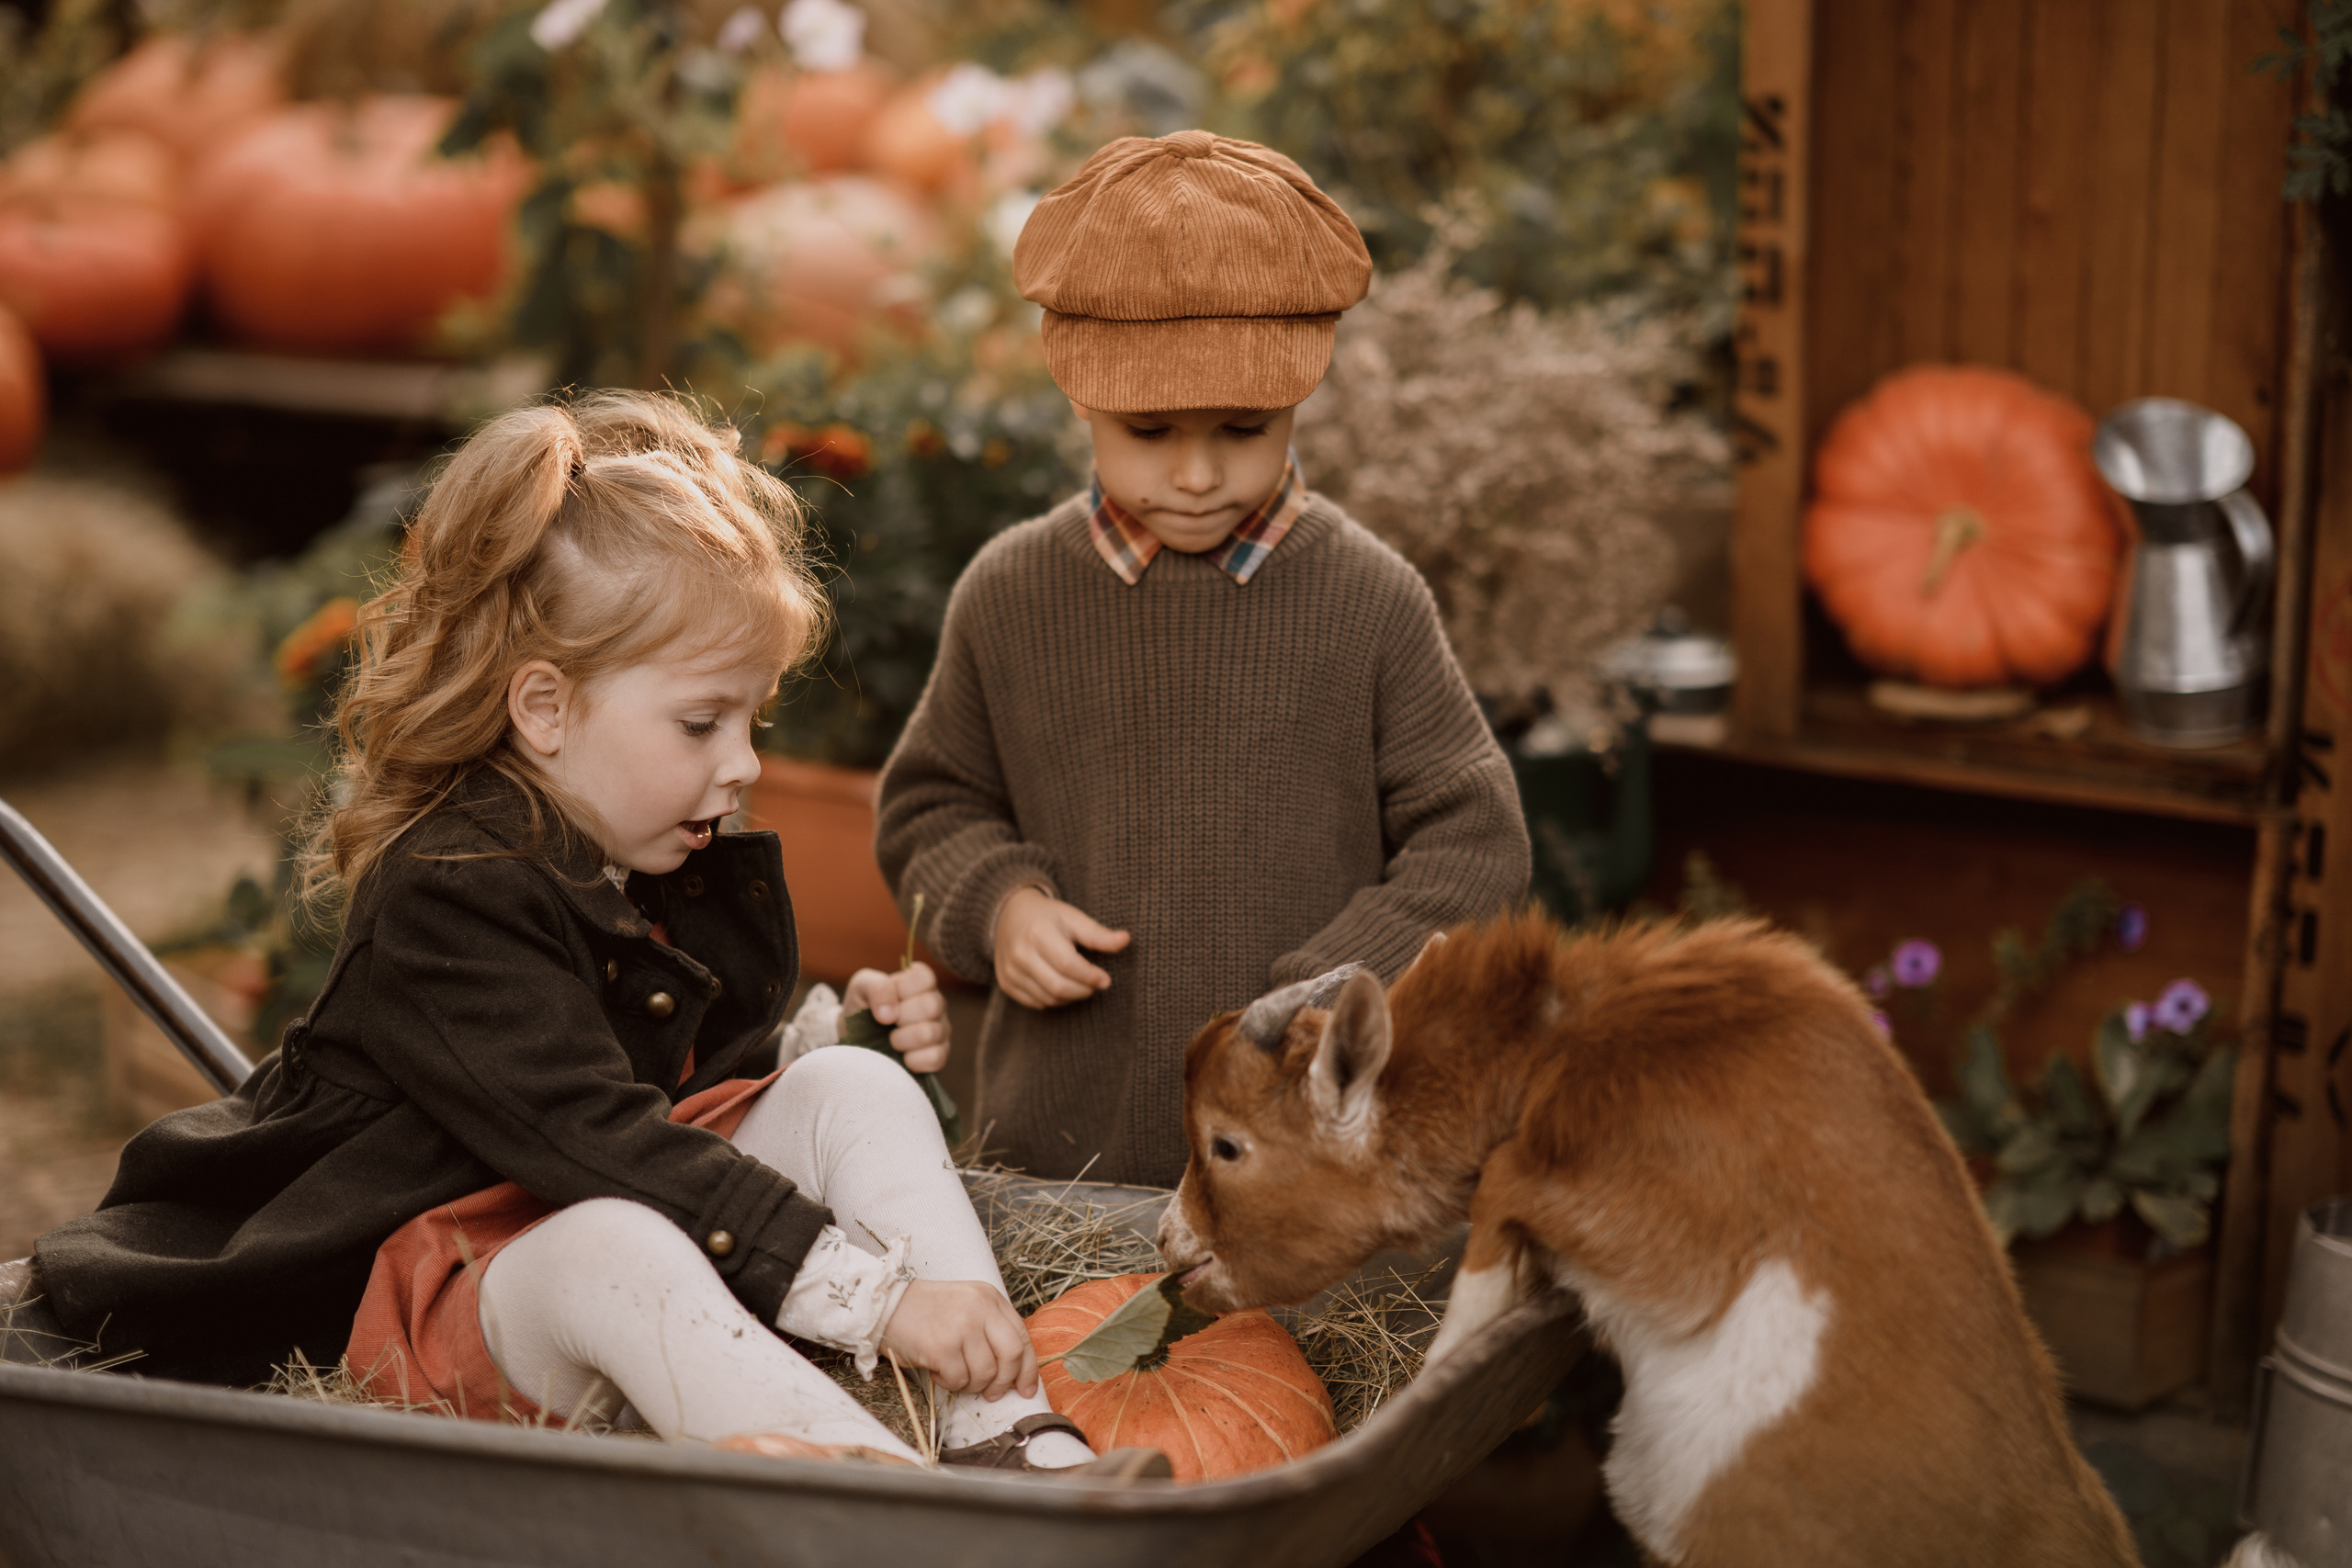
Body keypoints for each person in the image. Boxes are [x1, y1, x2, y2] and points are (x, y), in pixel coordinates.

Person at [31, 392, 1160, 1476]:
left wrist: (838, 1042)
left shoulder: (650, 848)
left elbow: (693, 1080)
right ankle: (875, 1499)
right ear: (545, 710)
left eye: (753, 720)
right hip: (437, 1276)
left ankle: (1005, 1434)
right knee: (620, 1244)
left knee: (854, 1100)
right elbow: (604, 1139)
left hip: (595, 1209)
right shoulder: (449, 896)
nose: (747, 764)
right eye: (701, 721)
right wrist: (870, 1296)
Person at [876, 130, 1532, 1188]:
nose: (1193, 473)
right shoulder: (1011, 595)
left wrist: (1330, 989)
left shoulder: (1369, 600)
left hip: (1306, 1179)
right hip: (1059, 1153)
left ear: (1296, 400)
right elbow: (930, 804)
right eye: (1148, 429)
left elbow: (1473, 841)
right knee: (1069, 1350)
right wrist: (1002, 906)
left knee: (1271, 1359)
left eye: (1241, 426)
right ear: (1078, 398)